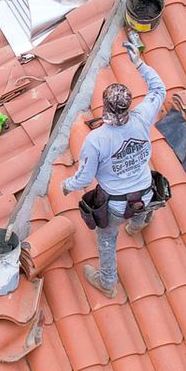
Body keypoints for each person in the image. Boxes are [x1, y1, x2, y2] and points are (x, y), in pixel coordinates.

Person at [61, 42, 166, 298]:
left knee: (106, 238)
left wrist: (68, 186)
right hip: (146, 192)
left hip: (116, 205)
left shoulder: (96, 140)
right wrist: (138, 62)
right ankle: (137, 224)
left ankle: (107, 281)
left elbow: (85, 177)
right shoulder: (142, 117)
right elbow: (159, 88)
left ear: (105, 107)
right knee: (142, 202)